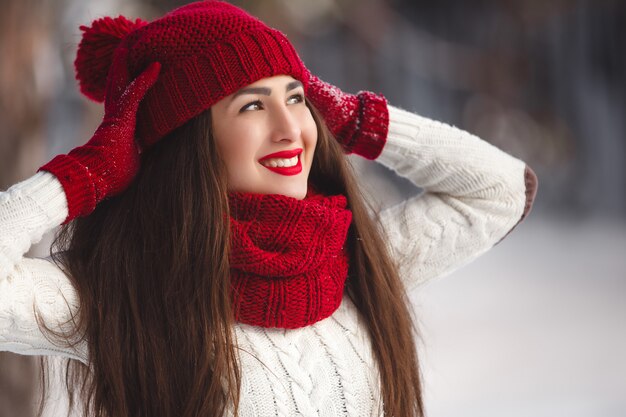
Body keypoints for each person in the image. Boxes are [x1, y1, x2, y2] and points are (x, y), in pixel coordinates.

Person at [0, 1, 538, 416]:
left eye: (297, 97)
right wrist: (82, 175)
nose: (292, 130)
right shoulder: (120, 294)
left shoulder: (356, 263)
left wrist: (356, 121)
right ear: (188, 141)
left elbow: (501, 191)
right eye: (253, 104)